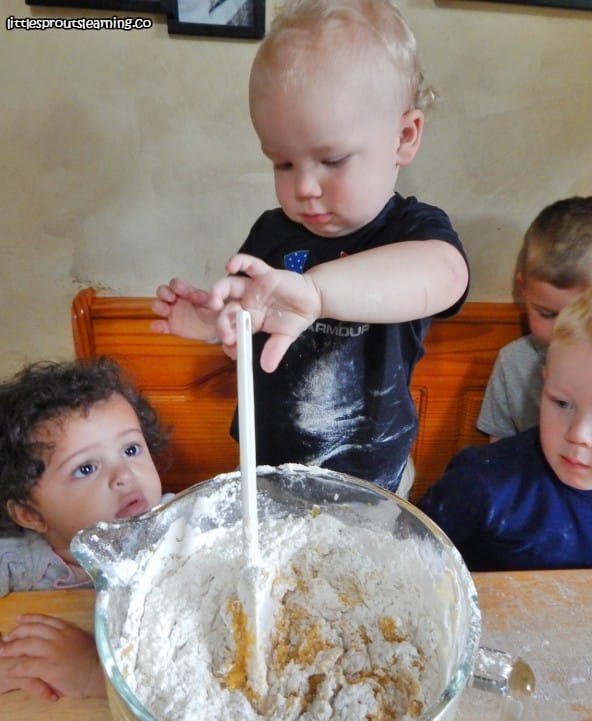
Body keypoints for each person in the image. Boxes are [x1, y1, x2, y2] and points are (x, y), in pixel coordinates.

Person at [151, 0, 469, 497]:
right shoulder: (271, 233)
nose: (305, 188)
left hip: (370, 479)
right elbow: (256, 318)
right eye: (282, 164)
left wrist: (315, 292)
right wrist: (218, 324)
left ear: (404, 137)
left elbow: (445, 277)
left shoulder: (411, 230)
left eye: (332, 160)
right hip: (268, 470)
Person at [0, 357, 170, 700]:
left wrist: (97, 674)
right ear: (30, 513)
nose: (123, 474)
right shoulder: (15, 560)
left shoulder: (185, 531)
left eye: (131, 449)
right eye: (86, 468)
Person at [418, 287, 592, 572]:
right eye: (562, 403)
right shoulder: (480, 483)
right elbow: (408, 557)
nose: (578, 434)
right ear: (544, 383)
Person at [477, 196, 592, 442]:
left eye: (580, 314)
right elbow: (497, 453)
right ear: (525, 289)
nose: (561, 330)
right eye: (547, 314)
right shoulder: (513, 363)